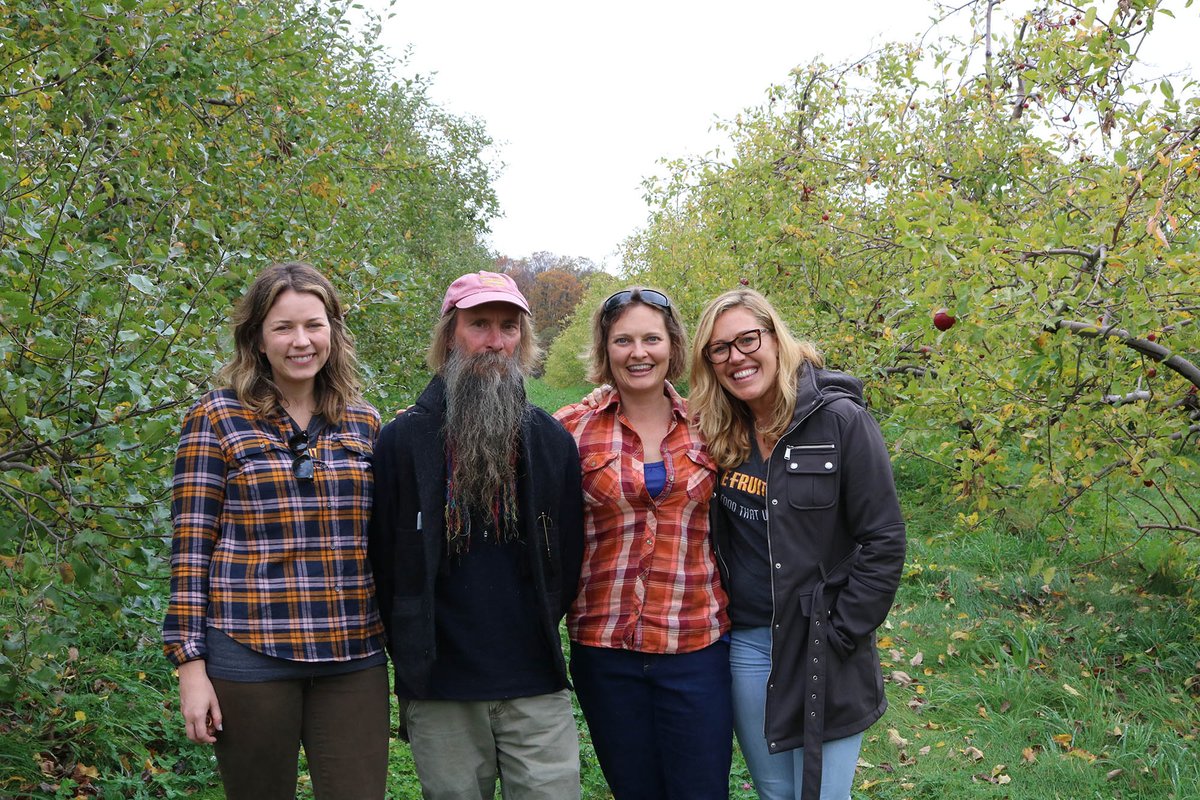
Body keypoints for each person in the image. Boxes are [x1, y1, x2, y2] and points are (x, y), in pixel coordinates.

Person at [162, 261, 388, 800]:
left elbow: (386, 542)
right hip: (250, 651)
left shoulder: (364, 422)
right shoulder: (217, 417)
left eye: (313, 325)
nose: (301, 341)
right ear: (258, 339)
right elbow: (191, 547)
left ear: (333, 330)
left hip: (351, 654)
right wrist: (190, 666)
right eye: (283, 328)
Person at [368, 270, 585, 800]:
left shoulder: (550, 440)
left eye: (508, 327)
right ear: (449, 335)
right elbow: (383, 559)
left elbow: (570, 555)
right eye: (479, 324)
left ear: (523, 340)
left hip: (535, 682)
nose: (495, 340)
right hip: (442, 688)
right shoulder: (402, 441)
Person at [690, 288, 906, 800]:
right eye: (719, 349)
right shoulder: (718, 429)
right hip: (748, 646)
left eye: (748, 340)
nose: (736, 358)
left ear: (776, 338)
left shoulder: (840, 422)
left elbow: (884, 540)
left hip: (822, 644)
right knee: (774, 794)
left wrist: (841, 630)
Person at [554, 288, 732, 800]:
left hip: (695, 642)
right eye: (623, 340)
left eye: (651, 338)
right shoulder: (572, 429)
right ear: (605, 349)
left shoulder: (712, 424)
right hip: (605, 649)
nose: (639, 352)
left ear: (672, 346)